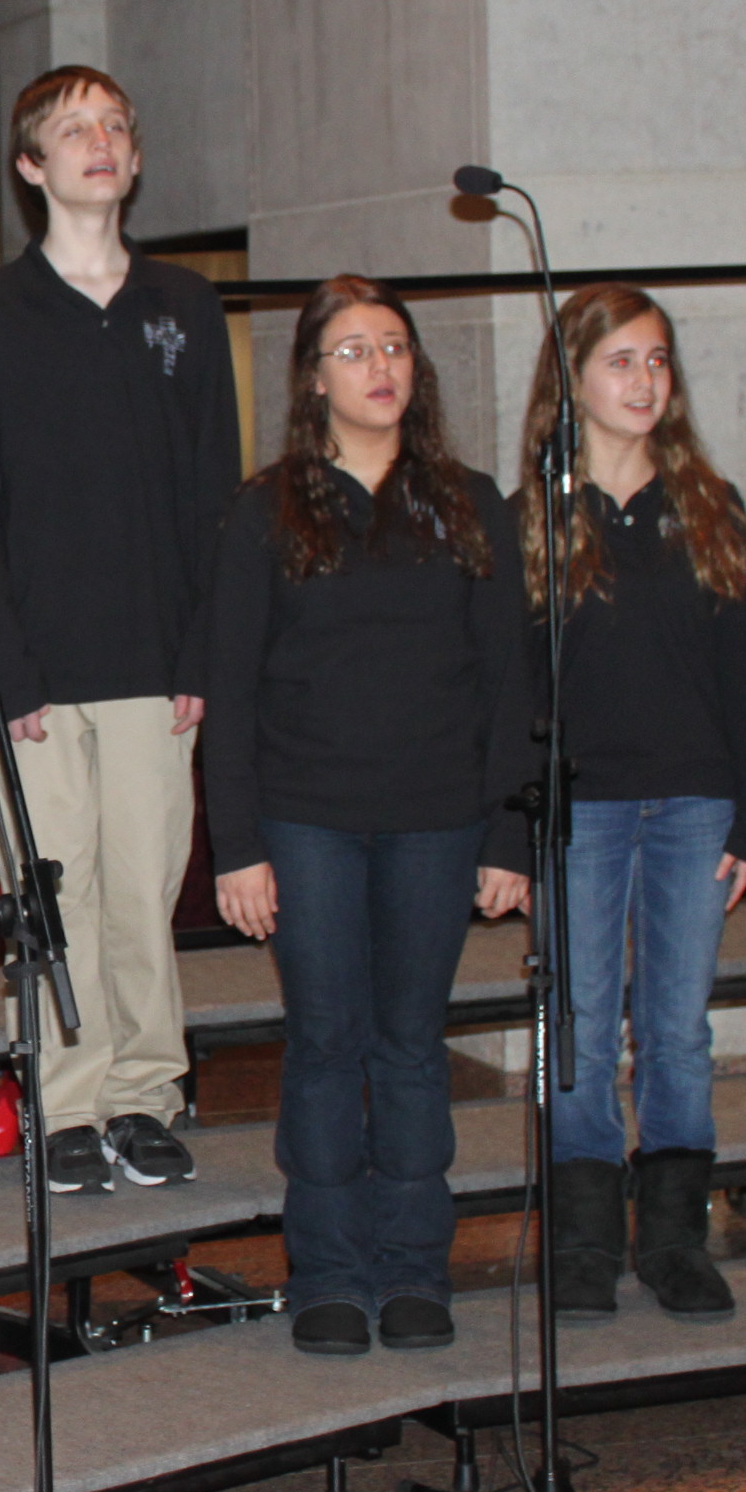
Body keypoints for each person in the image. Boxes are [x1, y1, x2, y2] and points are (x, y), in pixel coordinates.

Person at [202, 278, 534, 1358]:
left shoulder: (470, 502)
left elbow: (509, 682)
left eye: (393, 346)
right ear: (312, 378)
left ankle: (414, 1267)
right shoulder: (266, 510)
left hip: (438, 818)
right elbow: (231, 687)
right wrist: (238, 845)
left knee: (410, 1047)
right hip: (308, 819)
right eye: (352, 350)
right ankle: (331, 1274)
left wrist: (508, 833)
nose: (379, 367)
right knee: (326, 1044)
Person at [0, 67, 238, 1194]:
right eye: (73, 129)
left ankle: (144, 1094)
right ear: (31, 166)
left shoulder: (184, 307)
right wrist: (6, 669)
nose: (99, 141)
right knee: (56, 897)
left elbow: (215, 495)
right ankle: (65, 1105)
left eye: (115, 124)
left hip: (158, 661)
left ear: (136, 157)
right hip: (39, 672)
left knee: (143, 896)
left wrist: (203, 653)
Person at [520, 284, 746, 1323]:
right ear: (572, 380)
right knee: (580, 1030)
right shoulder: (537, 516)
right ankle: (584, 1244)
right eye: (620, 361)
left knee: (675, 1030)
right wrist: (510, 825)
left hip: (694, 804)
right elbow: (512, 689)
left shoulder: (711, 506)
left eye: (658, 360)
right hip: (581, 809)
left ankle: (674, 1241)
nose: (643, 380)